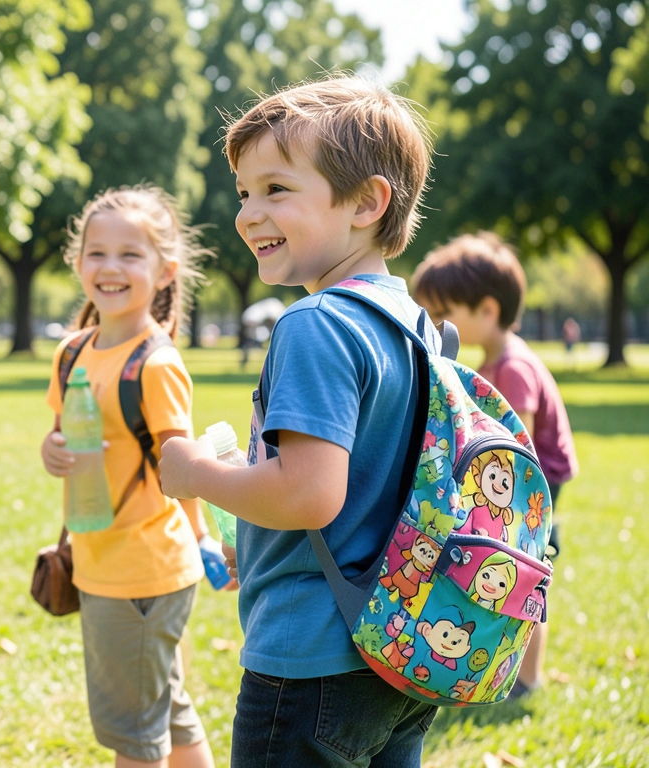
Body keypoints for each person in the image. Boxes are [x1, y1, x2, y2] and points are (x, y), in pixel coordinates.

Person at [157, 76, 440, 766]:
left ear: (366, 203)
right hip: (400, 646)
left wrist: (196, 474)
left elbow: (309, 494)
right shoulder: (415, 323)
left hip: (311, 657)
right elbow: (365, 484)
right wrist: (252, 534)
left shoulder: (316, 323)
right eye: (243, 193)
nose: (249, 214)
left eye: (276, 189)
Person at [40, 185, 220, 768]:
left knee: (135, 734)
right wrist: (52, 451)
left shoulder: (157, 364)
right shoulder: (72, 353)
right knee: (166, 708)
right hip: (99, 559)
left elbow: (183, 469)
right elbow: (59, 434)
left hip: (144, 568)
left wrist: (203, 537)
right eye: (96, 252)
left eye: (129, 255)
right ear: (77, 262)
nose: (110, 267)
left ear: (165, 271)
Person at [411, 231, 578, 697]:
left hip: (529, 493)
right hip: (510, 488)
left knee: (522, 574)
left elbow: (517, 451)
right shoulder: (494, 361)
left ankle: (526, 678)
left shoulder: (512, 368)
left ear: (486, 310)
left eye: (444, 312)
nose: (437, 324)